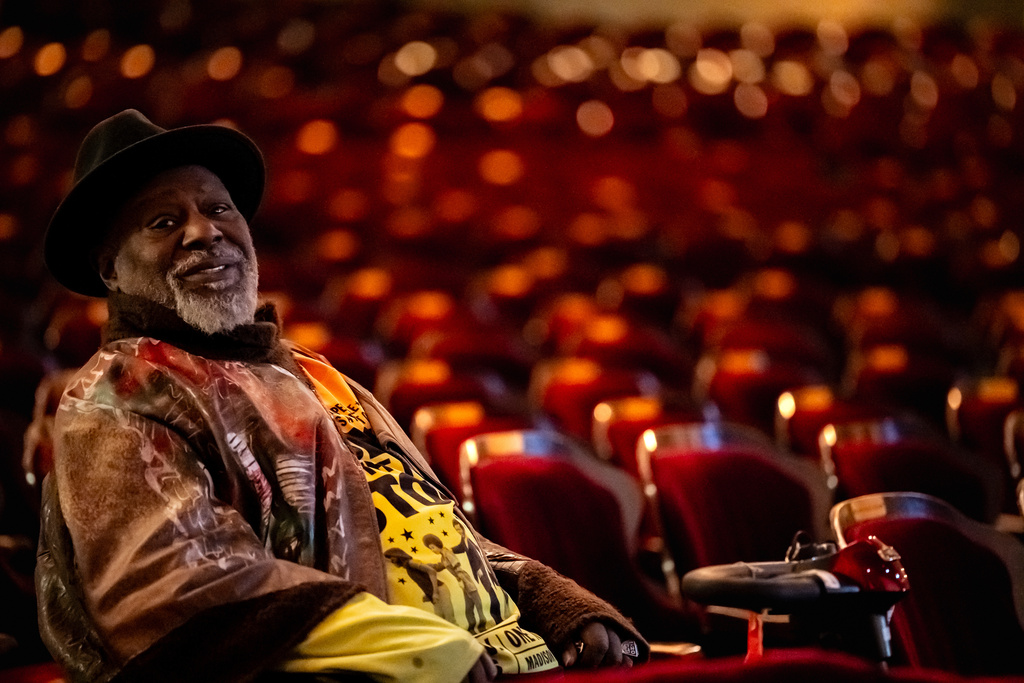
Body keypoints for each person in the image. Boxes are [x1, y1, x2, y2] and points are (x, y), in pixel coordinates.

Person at [35, 109, 648, 683]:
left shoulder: (310, 372)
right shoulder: (117, 396)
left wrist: (554, 604)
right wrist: (412, 646)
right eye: (164, 222)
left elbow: (430, 526)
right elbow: (174, 584)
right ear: (110, 268)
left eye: (219, 209)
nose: (204, 232)